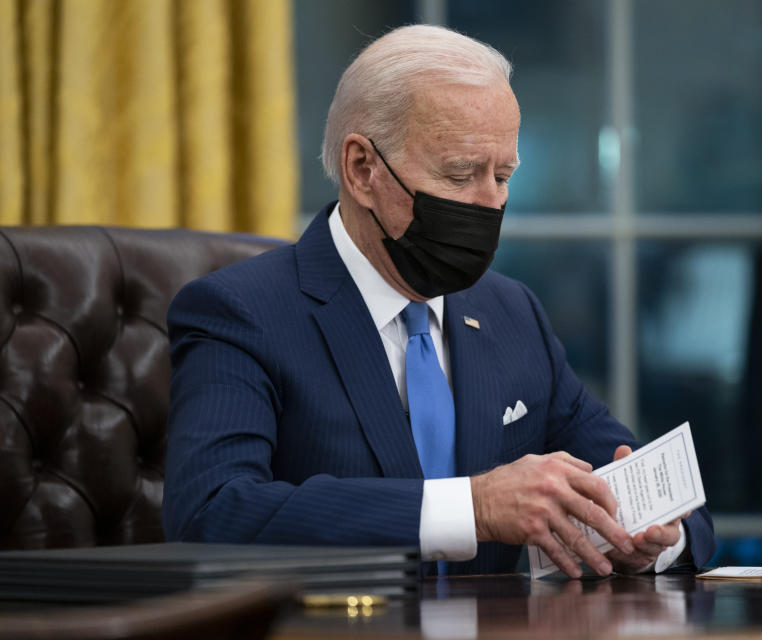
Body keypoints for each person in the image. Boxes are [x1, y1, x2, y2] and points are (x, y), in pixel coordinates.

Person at [162, 24, 715, 578]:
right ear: (363, 170)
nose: (489, 204)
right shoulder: (240, 313)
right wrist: (473, 507)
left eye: (502, 176)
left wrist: (653, 539)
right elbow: (210, 514)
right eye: (460, 175)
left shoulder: (511, 312)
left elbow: (662, 497)